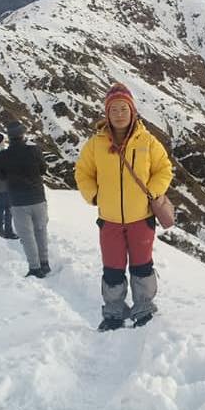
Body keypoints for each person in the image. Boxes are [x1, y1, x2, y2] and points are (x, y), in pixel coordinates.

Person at [75, 83, 173, 331]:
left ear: (132, 111)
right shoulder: (95, 144)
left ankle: (144, 307)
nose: (119, 113)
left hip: (141, 218)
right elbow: (82, 173)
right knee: (113, 268)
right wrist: (95, 196)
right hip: (110, 220)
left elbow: (164, 169)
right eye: (114, 109)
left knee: (142, 266)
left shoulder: (147, 141)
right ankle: (114, 312)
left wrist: (153, 190)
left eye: (124, 108)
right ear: (107, 113)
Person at [0, 121, 50, 278]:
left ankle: (34, 268)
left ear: (9, 137)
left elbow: (0, 176)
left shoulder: (2, 156)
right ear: (23, 134)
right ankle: (45, 263)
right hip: (38, 198)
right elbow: (43, 170)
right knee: (41, 231)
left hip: (18, 201)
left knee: (27, 236)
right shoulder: (34, 150)